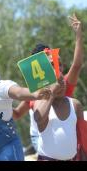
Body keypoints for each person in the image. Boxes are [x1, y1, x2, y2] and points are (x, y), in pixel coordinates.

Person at [13, 13, 84, 152]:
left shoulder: (64, 85)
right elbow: (16, 114)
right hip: (40, 138)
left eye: (57, 64)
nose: (55, 68)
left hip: (65, 140)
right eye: (49, 64)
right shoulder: (33, 91)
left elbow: (77, 65)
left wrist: (79, 34)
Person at [33, 75, 84, 161]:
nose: (60, 85)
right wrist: (51, 93)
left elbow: (82, 134)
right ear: (48, 86)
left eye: (62, 81)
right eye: (56, 82)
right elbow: (39, 119)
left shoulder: (75, 104)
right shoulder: (41, 103)